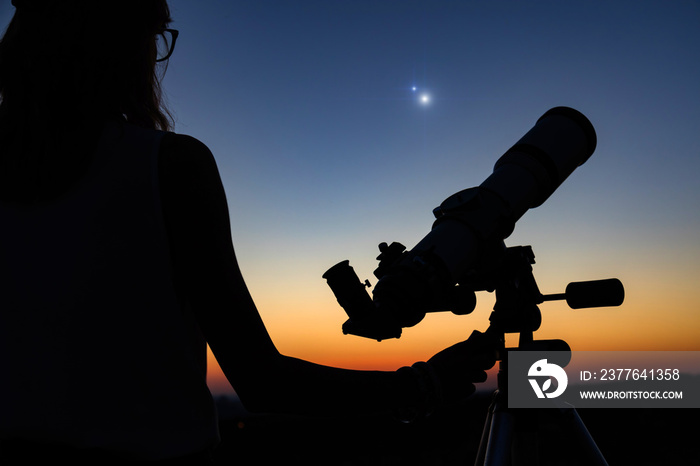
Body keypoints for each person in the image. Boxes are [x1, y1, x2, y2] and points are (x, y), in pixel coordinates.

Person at [0, 1, 497, 464]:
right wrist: (425, 383)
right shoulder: (171, 165)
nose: (156, 55)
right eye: (154, 35)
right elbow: (261, 381)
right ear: (116, 42)